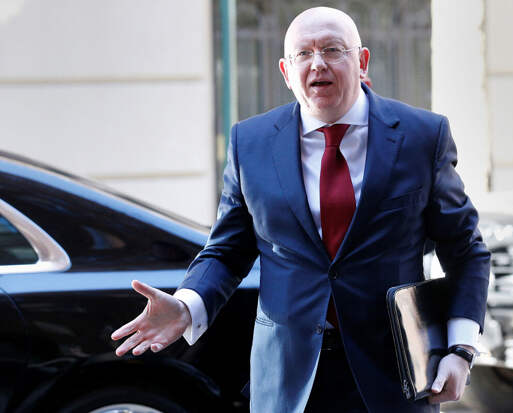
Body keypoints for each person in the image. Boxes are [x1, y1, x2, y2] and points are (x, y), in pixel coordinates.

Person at [112, 7, 490, 413]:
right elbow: (227, 250)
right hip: (287, 379)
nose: (318, 64)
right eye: (303, 54)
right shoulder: (250, 143)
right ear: (286, 72)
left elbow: (465, 250)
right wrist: (187, 305)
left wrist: (460, 349)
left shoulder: (422, 136)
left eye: (332, 50)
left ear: (362, 61)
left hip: (393, 375)